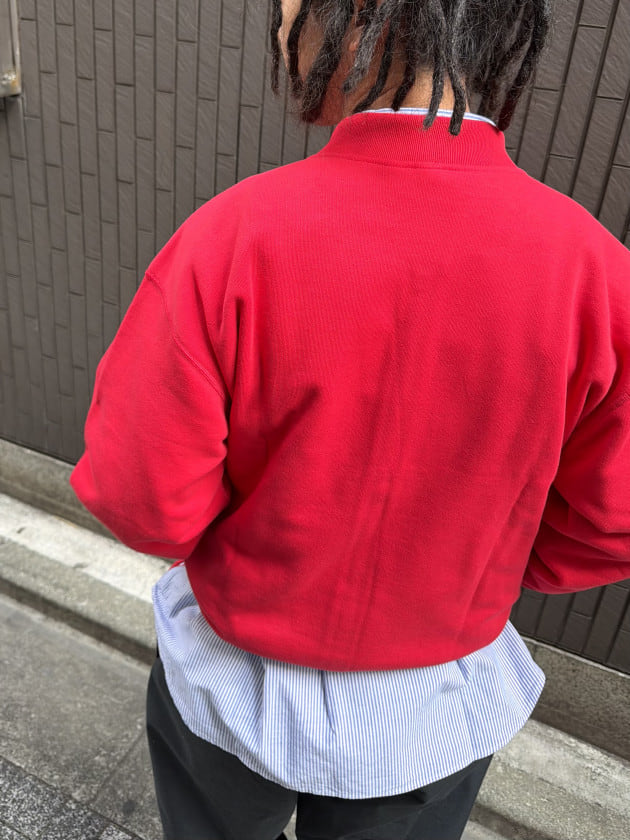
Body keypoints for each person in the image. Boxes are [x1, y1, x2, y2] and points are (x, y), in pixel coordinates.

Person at [70, 1, 630, 838]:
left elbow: (143, 498)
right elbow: (610, 522)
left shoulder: (231, 238)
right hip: (434, 700)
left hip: (234, 679)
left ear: (351, 14)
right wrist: (478, 566)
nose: (280, 32)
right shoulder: (599, 277)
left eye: (286, 9)